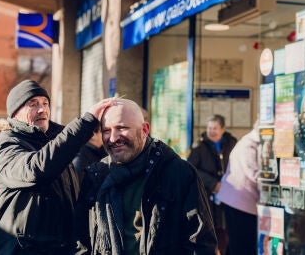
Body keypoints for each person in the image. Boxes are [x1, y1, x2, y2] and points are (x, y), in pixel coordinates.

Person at [75, 98, 218, 255]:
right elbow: (82, 242)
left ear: (144, 130)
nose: (113, 138)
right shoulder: (97, 176)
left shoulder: (179, 173)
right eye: (106, 130)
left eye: (121, 128)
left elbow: (200, 242)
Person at [0, 79, 115, 255]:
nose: (42, 109)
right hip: (25, 250)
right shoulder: (5, 143)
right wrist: (85, 123)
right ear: (15, 113)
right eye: (32, 104)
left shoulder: (55, 141)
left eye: (45, 103)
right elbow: (35, 170)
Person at [187, 114, 237, 255]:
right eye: (209, 128)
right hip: (207, 195)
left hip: (229, 193)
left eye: (215, 128)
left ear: (223, 129)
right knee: (210, 228)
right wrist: (213, 183)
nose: (211, 131)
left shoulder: (232, 142)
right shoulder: (200, 145)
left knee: (227, 228)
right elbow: (191, 168)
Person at [216, 123, 260, 255]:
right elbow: (254, 173)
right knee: (242, 243)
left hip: (237, 200)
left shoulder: (248, 141)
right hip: (239, 202)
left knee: (237, 242)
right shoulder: (249, 144)